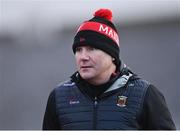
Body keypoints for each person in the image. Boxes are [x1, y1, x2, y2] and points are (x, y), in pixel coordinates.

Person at [43, 8, 176, 130]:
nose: (83, 57)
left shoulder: (145, 94)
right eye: (78, 50)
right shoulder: (59, 97)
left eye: (92, 49)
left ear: (112, 55)